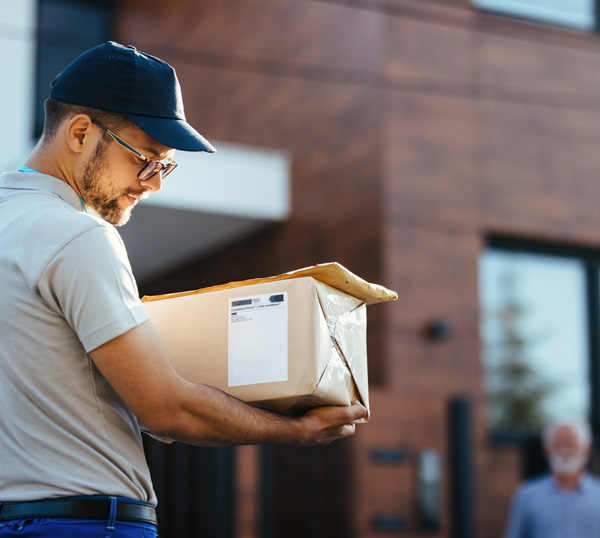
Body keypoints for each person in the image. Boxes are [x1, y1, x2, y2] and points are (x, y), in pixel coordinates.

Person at [0, 41, 366, 537]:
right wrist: (298, 432)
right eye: (145, 159)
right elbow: (165, 409)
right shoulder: (77, 234)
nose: (153, 184)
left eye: (165, 166)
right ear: (81, 132)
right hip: (86, 524)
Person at [503, 419, 600, 538]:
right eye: (559, 444)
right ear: (546, 448)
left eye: (571, 444)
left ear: (587, 448)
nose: (565, 451)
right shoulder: (527, 496)